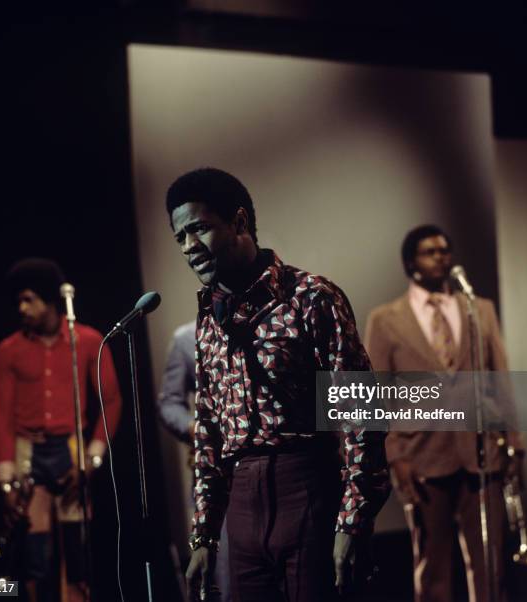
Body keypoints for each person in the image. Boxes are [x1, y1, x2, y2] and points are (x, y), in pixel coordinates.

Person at [165, 167, 390, 602]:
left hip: (306, 488)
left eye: (199, 229)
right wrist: (204, 537)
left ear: (240, 221)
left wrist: (352, 523)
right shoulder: (210, 317)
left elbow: (363, 415)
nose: (189, 247)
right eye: (180, 239)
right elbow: (208, 430)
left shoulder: (311, 298)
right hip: (243, 508)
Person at [364, 224, 524, 602]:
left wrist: (515, 445)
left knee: (490, 560)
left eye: (445, 250)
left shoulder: (478, 308)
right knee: (432, 562)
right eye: (430, 252)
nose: (441, 257)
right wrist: (394, 457)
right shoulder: (386, 319)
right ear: (410, 262)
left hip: (481, 453)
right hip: (421, 457)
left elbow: (500, 379)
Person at [0, 258, 122, 602]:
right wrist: (5, 479)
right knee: (34, 556)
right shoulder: (9, 350)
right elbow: (1, 414)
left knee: (79, 556)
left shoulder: (88, 340)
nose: (21, 307)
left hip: (71, 449)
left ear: (50, 300)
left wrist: (91, 462)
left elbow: (111, 401)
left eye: (29, 299)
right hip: (28, 452)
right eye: (18, 300)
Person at [157, 321, 231, 602]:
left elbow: (354, 399)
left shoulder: (315, 299)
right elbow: (169, 402)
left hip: (298, 476)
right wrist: (196, 429)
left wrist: (356, 513)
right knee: (228, 579)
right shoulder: (190, 337)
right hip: (219, 473)